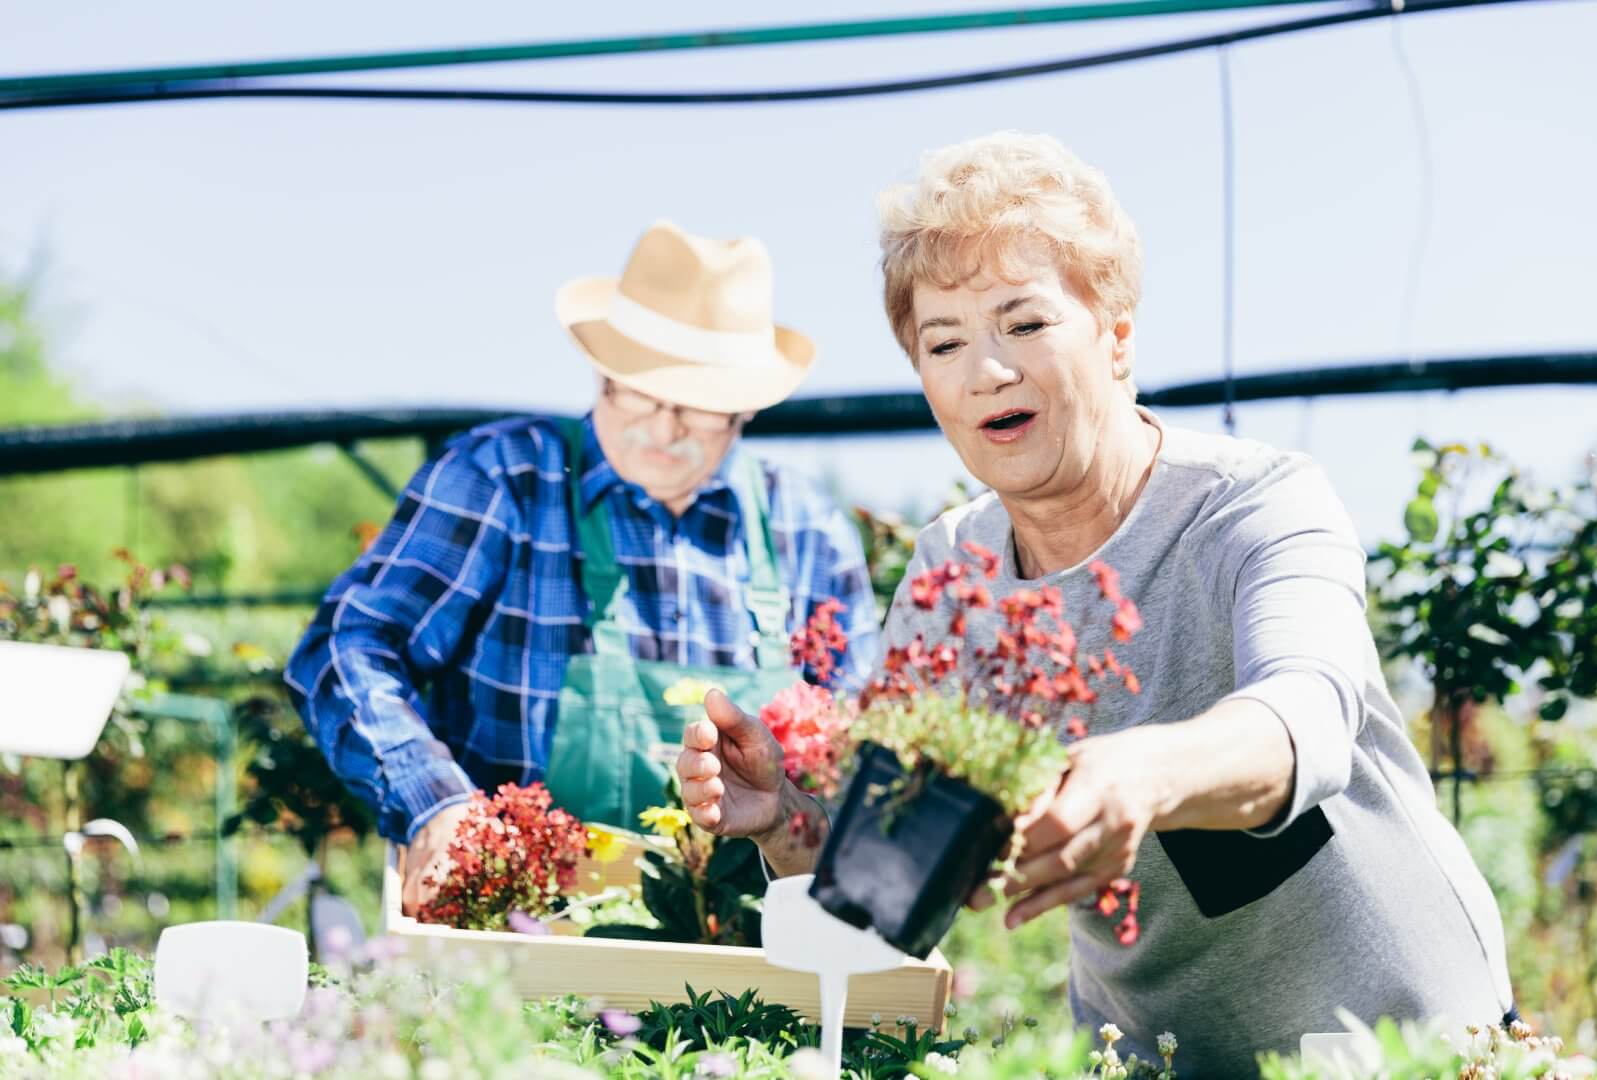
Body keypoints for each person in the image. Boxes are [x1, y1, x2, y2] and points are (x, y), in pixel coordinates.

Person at [676, 133, 1513, 1076]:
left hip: (1407, 1042)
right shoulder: (954, 574)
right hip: (1149, 1057)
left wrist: (1142, 775)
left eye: (1024, 323)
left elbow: (1306, 716)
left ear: (1116, 335)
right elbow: (895, 885)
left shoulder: (1252, 503)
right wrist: (786, 819)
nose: (985, 370)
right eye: (943, 342)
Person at [286, 220, 878, 917]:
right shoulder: (504, 480)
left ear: (746, 404)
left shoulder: (804, 530)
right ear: (603, 370)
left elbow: (865, 768)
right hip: (516, 939)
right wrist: (433, 803)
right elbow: (345, 645)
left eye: (696, 407)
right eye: (639, 392)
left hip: (752, 971)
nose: (661, 428)